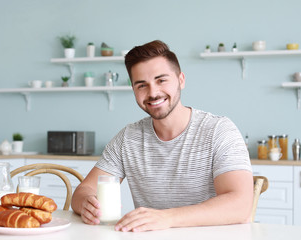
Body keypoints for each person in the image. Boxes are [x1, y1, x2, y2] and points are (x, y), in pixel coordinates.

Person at [71, 40, 253, 232]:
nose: (153, 93)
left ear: (181, 80)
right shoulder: (128, 138)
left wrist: (167, 217)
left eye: (161, 80)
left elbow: (240, 205)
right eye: (142, 85)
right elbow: (83, 191)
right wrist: (86, 204)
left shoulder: (219, 130)